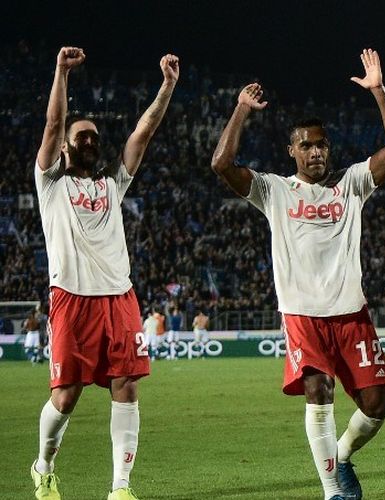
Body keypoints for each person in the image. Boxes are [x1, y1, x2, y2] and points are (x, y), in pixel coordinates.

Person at [211, 48, 385, 500]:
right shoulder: (275, 190)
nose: (315, 151)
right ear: (292, 150)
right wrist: (241, 110)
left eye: (321, 144)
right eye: (306, 144)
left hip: (351, 314)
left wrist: (378, 91)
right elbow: (222, 165)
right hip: (303, 315)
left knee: (377, 406)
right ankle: (331, 492)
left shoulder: (351, 183)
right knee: (318, 392)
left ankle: (340, 456)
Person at [31, 46, 178, 500]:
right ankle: (43, 465)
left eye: (95, 136)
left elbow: (143, 132)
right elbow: (54, 125)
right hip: (71, 299)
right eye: (82, 136)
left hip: (119, 298)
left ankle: (120, 488)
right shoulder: (50, 183)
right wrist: (61, 73)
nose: (91, 141)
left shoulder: (111, 184)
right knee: (66, 397)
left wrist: (167, 86)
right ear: (64, 146)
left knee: (126, 386)